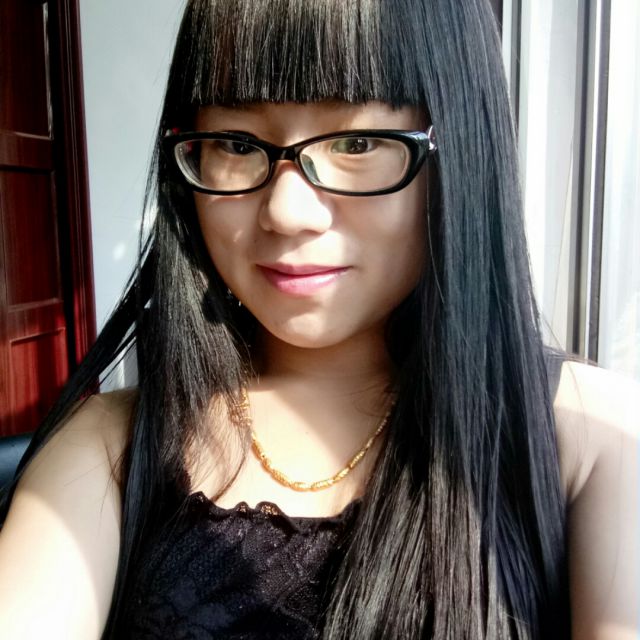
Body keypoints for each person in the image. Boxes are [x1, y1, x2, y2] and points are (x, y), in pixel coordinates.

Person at [0, 0, 638, 638]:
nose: (286, 211)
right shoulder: (108, 447)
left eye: (357, 142)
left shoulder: (591, 436)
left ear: (462, 151)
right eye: (234, 143)